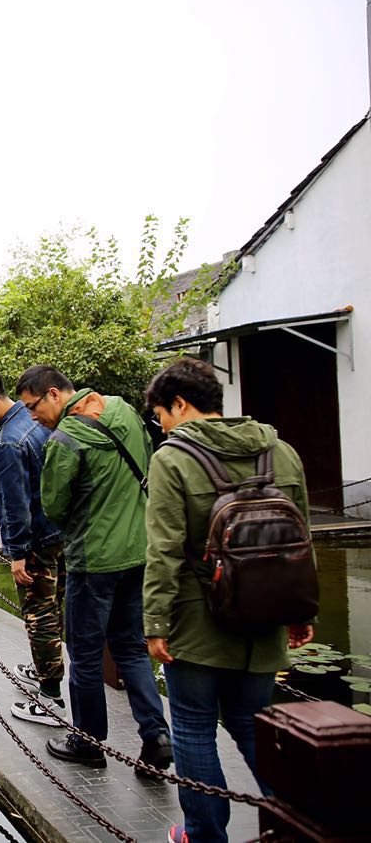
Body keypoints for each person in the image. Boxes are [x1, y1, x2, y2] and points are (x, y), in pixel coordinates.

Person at [142, 358, 313, 843]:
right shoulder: (280, 452)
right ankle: (301, 825)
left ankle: (203, 835)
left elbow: (164, 550)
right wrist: (302, 611)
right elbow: (302, 539)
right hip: (267, 614)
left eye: (160, 415)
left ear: (180, 404)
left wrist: (155, 622)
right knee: (254, 725)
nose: (162, 426)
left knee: (194, 727)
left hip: (198, 620)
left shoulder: (174, 458)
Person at [15, 365, 172, 772]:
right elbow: (148, 463)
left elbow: (54, 506)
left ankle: (88, 741)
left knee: (84, 654)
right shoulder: (124, 410)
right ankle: (156, 736)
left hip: (93, 560)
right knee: (131, 648)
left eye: (33, 406)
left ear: (54, 394)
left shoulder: (65, 438)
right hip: (138, 552)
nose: (32, 416)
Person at [0, 366, 66, 726]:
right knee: (56, 609)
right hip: (60, 533)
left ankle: (51, 699)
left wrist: (16, 553)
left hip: (35, 540)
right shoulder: (38, 420)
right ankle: (45, 670)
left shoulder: (8, 442)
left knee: (39, 615)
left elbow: (14, 505)